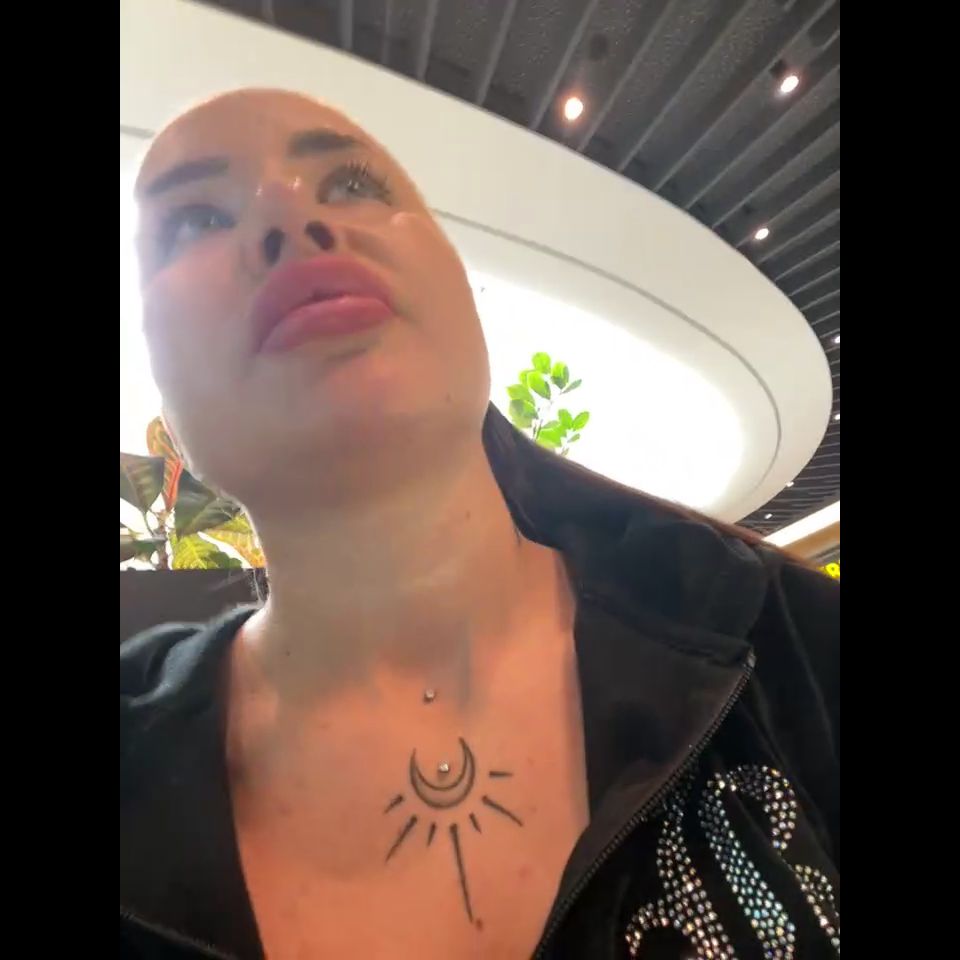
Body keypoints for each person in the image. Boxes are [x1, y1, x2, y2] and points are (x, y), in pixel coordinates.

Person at [120, 89, 839, 960]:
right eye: (196, 219)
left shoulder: (794, 644)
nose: (286, 213)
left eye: (351, 183)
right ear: (162, 404)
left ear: (459, 287)